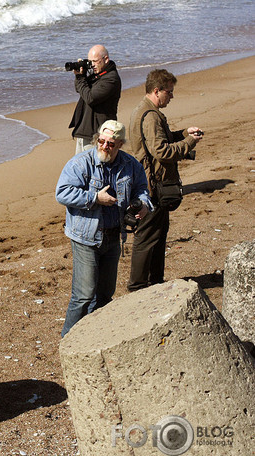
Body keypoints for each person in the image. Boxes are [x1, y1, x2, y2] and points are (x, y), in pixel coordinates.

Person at [56, 120, 151, 337]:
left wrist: (144, 205)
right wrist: (94, 198)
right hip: (85, 237)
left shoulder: (130, 165)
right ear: (97, 138)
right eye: (102, 141)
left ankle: (93, 337)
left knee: (106, 294)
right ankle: (67, 339)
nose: (105, 146)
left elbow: (142, 189)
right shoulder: (81, 163)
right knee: (83, 294)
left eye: (111, 144)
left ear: (120, 145)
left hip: (113, 236)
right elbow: (61, 193)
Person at [127, 69, 203, 292]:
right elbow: (161, 151)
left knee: (158, 236)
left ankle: (155, 282)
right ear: (156, 90)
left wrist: (182, 133)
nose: (171, 96)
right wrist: (189, 143)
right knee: (148, 237)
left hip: (155, 183)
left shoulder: (149, 111)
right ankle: (139, 286)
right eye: (169, 92)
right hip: (153, 187)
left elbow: (160, 142)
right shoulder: (150, 116)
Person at [68, 44, 122, 154]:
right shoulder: (98, 75)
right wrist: (80, 74)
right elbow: (80, 89)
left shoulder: (111, 79)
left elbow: (90, 98)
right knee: (79, 168)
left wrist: (80, 78)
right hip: (85, 130)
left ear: (106, 59)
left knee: (92, 168)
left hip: (96, 134)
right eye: (90, 61)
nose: (92, 65)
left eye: (95, 61)